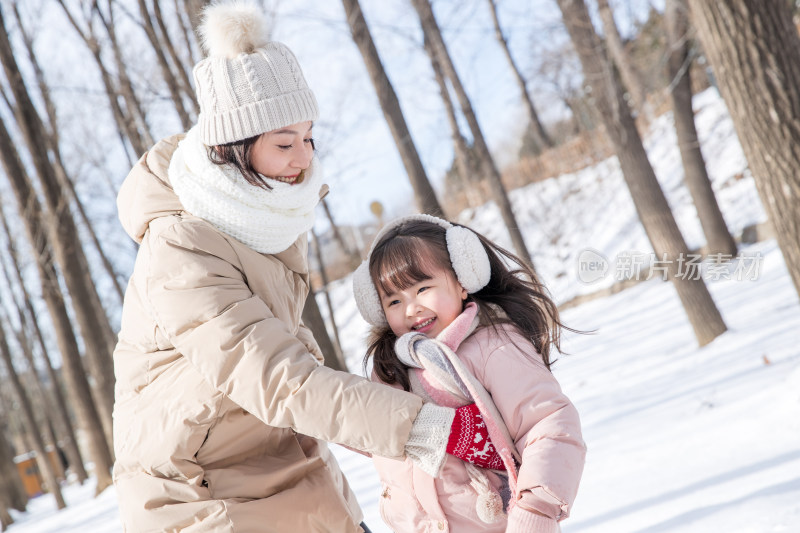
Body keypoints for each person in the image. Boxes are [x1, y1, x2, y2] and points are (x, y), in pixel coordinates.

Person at [111, 3, 502, 532]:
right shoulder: (181, 249)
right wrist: (431, 428)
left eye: (309, 137)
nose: (304, 158)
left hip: (283, 465)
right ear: (232, 148)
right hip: (202, 492)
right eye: (284, 143)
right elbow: (278, 378)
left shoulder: (260, 220)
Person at [351, 214, 587, 532]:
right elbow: (377, 434)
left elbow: (548, 425)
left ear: (463, 281)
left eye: (422, 288)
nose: (411, 309)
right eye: (394, 300)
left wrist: (537, 508)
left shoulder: (493, 346)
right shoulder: (392, 368)